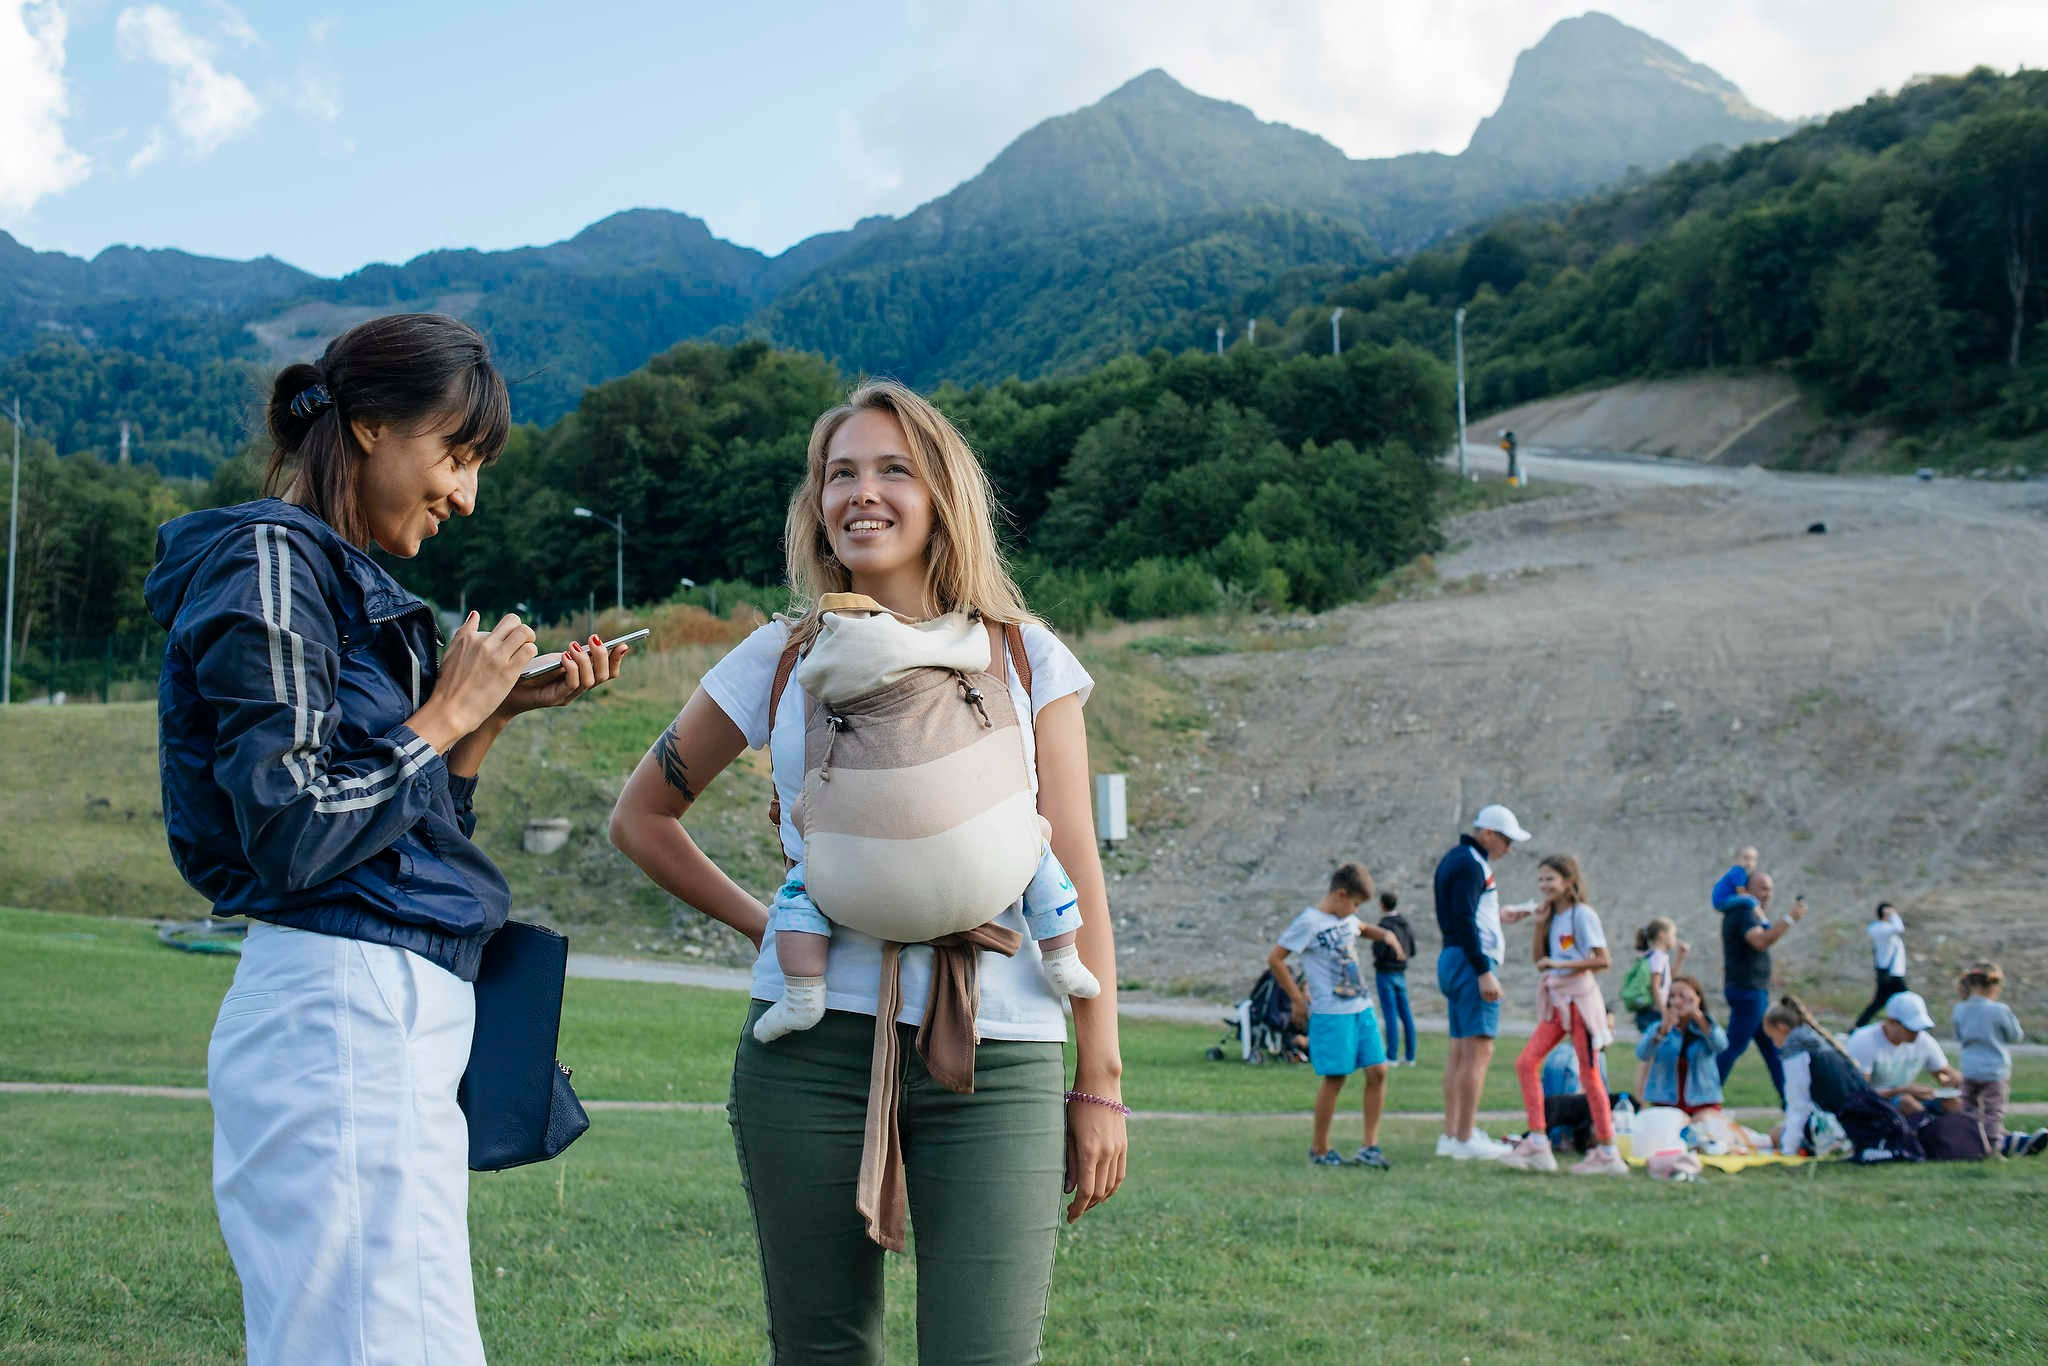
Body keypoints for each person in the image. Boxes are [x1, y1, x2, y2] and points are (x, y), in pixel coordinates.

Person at [607, 379, 1125, 1361]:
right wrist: (769, 926)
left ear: (941, 497)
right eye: (838, 473)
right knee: (824, 1350)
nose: (861, 493)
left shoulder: (1025, 658)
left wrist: (1098, 1080)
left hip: (1002, 1051)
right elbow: (641, 817)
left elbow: (1075, 869)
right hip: (810, 1059)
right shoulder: (778, 657)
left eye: (893, 469)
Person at [147, 314, 630, 1364]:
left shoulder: (340, 580)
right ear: (367, 426)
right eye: (455, 455)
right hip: (339, 1014)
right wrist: (444, 713)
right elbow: (292, 826)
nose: (466, 495)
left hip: (375, 1014)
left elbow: (403, 842)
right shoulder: (269, 557)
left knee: (383, 1337)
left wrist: (490, 718)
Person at [1499, 855, 1628, 1175]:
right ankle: (1539, 1142)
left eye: (1550, 879)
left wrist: (1561, 966)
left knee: (1590, 1074)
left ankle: (1608, 1150)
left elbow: (1602, 960)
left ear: (1569, 881)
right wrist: (1539, 924)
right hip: (1557, 1002)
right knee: (1526, 1062)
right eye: (1541, 880)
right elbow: (1540, 959)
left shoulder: (1582, 915)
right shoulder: (1553, 916)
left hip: (1580, 1003)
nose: (1544, 886)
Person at [1271, 863, 1405, 1168]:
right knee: (1336, 1078)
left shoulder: (1346, 918)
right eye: (1355, 904)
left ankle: (1370, 1146)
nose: (1355, 911)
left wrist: (1385, 935)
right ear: (1340, 895)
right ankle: (1320, 1149)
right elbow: (1276, 958)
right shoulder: (1309, 922)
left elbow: (1361, 928)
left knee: (1378, 1071)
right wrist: (1297, 999)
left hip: (1361, 1006)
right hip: (1332, 1013)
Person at [1433, 803, 1535, 1160]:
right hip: (1468, 960)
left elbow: (1466, 912)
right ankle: (1464, 1137)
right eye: (1506, 841)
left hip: (1454, 957)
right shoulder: (1471, 864)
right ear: (1488, 834)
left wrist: (1501, 915)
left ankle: (1453, 1133)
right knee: (1479, 1049)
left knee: (1461, 1049)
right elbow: (1463, 918)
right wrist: (1483, 970)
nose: (1509, 849)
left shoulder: (1457, 859)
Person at [1715, 870, 1804, 1099]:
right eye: (1763, 888)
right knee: (1734, 1045)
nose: (1768, 894)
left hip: (1754, 989)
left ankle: (1790, 1100)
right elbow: (1760, 941)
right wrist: (1789, 919)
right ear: (1745, 890)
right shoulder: (1744, 911)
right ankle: (1705, 1095)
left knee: (1772, 1048)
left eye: (1770, 889)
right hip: (1747, 990)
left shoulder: (1751, 912)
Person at [1952, 962, 2026, 1151]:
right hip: (1995, 1069)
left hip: (1969, 1068)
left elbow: (1959, 1036)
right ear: (1994, 985)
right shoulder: (1999, 1010)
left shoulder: (1960, 1009)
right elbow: (2015, 1036)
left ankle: (1970, 1143)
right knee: (1993, 1111)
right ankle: (1993, 1146)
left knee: (1968, 1108)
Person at [1846, 991, 1959, 1113]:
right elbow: (1859, 1093)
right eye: (1911, 1028)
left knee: (1954, 1103)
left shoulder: (1923, 1040)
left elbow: (1944, 1072)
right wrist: (1900, 1091)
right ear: (1892, 1022)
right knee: (1906, 1102)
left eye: (1920, 1028)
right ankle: (1926, 1127)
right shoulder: (1864, 1040)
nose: (1916, 1033)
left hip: (1904, 1095)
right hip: (1874, 1104)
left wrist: (1952, 1078)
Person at [1635, 975, 1729, 1116]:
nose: (1677, 1001)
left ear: (1697, 999)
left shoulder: (1706, 1027)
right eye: (1672, 996)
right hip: (1665, 1102)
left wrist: (1698, 1016)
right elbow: (1643, 1053)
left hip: (1703, 1102)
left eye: (1683, 996)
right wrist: (1662, 1031)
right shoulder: (1658, 1027)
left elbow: (1721, 1045)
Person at [1623, 917, 1686, 1099]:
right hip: (1653, 1013)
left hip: (1648, 1011)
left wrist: (1680, 958)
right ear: (1662, 935)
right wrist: (1664, 1012)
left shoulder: (1653, 955)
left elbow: (1668, 980)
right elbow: (1656, 985)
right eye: (1673, 934)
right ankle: (1641, 1097)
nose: (1674, 939)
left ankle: (1644, 1096)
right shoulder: (1658, 956)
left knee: (1651, 1055)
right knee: (1649, 1057)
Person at [1372, 890, 1418, 1066]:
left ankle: (1391, 1055)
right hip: (1401, 973)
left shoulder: (1384, 925)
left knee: (1390, 1014)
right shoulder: (1405, 924)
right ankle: (1410, 1055)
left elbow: (1379, 950)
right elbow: (1412, 949)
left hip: (1385, 973)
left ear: (1382, 904)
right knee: (1406, 1015)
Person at [1853, 902, 1909, 1029]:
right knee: (1907, 999)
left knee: (1880, 1001)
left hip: (1892, 973)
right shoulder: (1880, 928)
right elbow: (1899, 928)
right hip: (1891, 974)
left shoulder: (1884, 930)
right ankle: (1911, 1025)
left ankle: (1859, 1025)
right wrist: (1893, 914)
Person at [1710, 845, 1760, 910]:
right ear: (1737, 859)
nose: (1749, 863)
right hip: (1722, 900)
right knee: (1751, 901)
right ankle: (1762, 918)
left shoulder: (1744, 874)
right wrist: (1750, 897)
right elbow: (1740, 891)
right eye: (1746, 858)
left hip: (1724, 900)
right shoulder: (1739, 871)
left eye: (1753, 859)